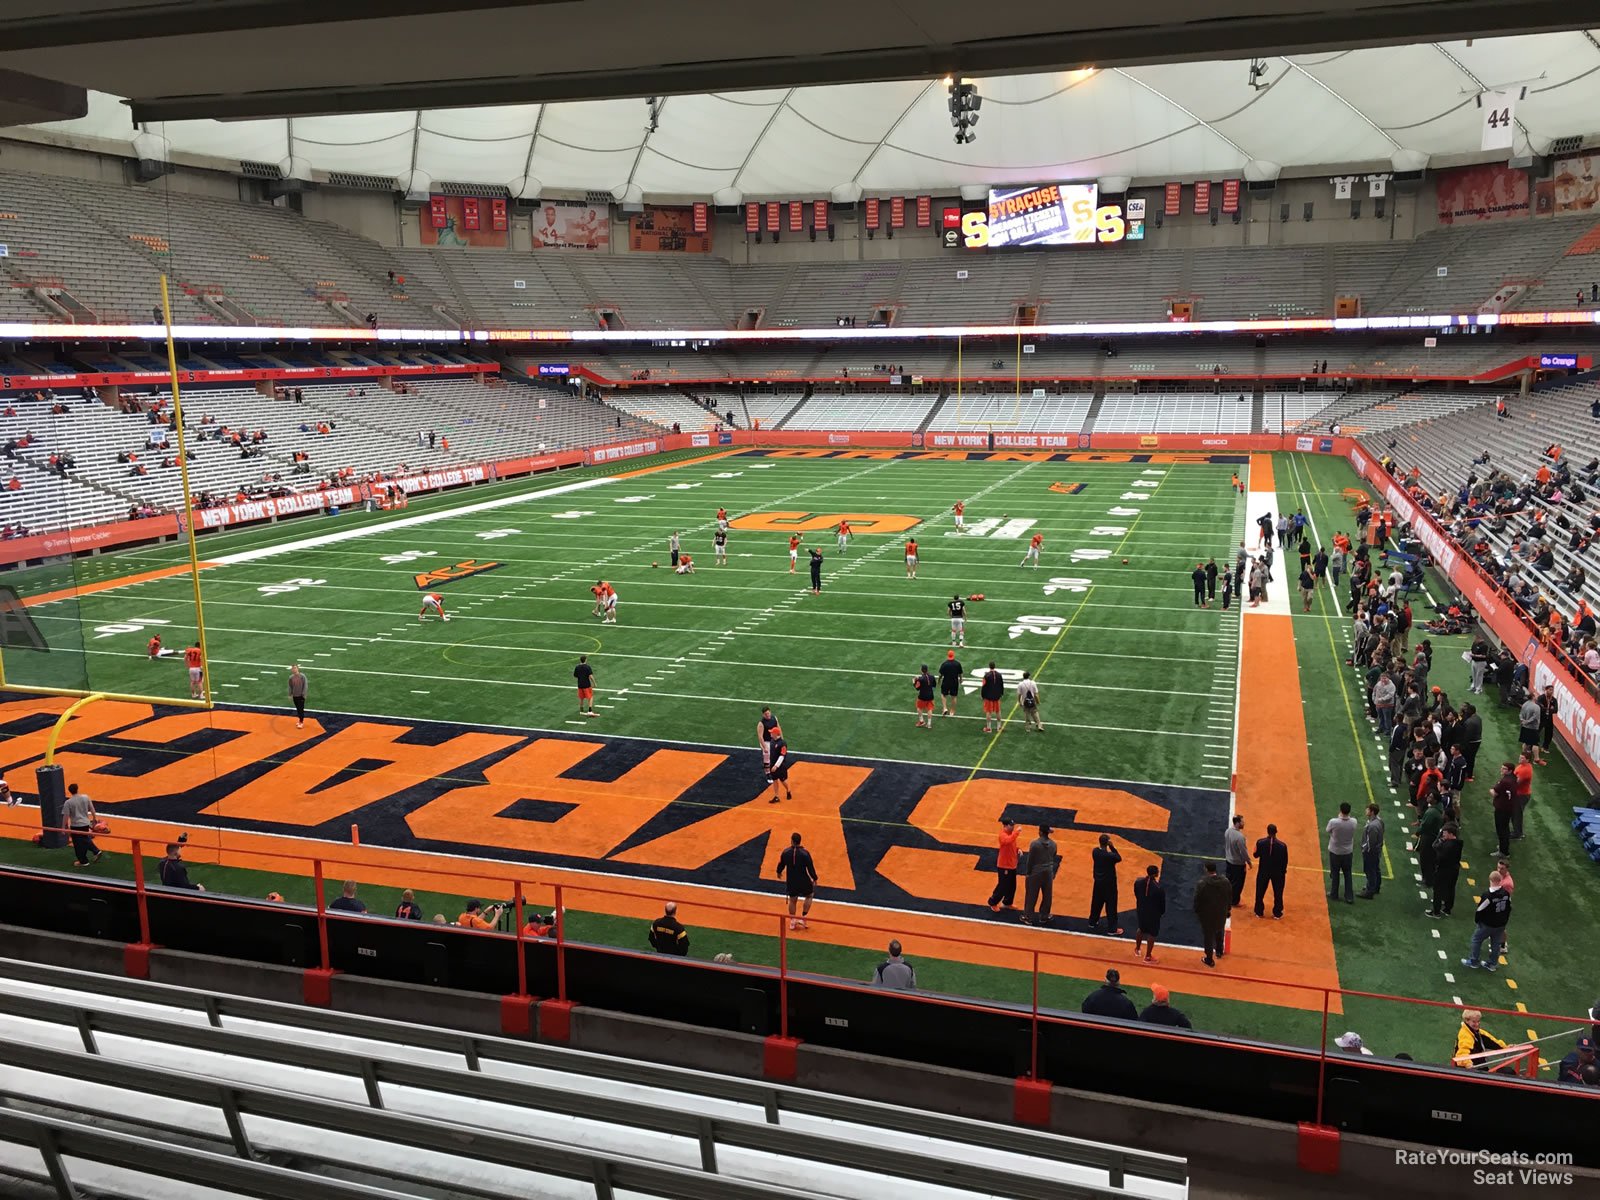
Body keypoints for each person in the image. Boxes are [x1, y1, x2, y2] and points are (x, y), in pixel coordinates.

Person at [1461, 870, 1511, 972]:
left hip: (1487, 924)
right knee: (1496, 944)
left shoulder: (1488, 895)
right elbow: (1509, 908)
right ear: (1500, 880)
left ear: (1490, 880)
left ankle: (1474, 961)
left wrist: (1477, 921)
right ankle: (1492, 964)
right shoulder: (1506, 893)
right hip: (1501, 925)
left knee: (1476, 940)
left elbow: (1480, 910)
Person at [776, 831, 817, 930]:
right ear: (799, 841)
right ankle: (803, 917)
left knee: (792, 900)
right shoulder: (805, 853)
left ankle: (792, 921)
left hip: (792, 880)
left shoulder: (786, 852)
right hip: (803, 879)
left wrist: (779, 872)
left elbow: (781, 864)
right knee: (809, 895)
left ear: (792, 841)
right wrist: (814, 878)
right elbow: (810, 867)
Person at [1193, 861, 1231, 966]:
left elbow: (1197, 899)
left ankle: (1209, 958)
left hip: (1207, 914)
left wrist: (1197, 910)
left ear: (1206, 869)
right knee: (1219, 930)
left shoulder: (1202, 883)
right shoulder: (1225, 881)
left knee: (1208, 936)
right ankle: (1219, 951)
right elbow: (1229, 896)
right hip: (1221, 912)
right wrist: (1228, 909)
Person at [1020, 824, 1059, 925]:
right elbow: (1053, 857)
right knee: (1047, 895)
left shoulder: (1035, 844)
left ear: (1041, 832)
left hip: (1036, 872)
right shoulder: (1054, 844)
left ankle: (1028, 916)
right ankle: (1044, 916)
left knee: (1031, 895)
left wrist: (1028, 873)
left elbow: (1030, 860)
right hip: (1048, 872)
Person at [1088, 833, 1123, 935]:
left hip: (1098, 883)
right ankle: (1112, 929)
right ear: (1107, 843)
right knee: (1111, 906)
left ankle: (1092, 922)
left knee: (1096, 903)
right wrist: (1112, 847)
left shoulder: (1095, 852)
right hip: (1109, 884)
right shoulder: (1109, 856)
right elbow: (1118, 858)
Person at [1252, 824, 1288, 918]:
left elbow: (1255, 855)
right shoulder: (1283, 846)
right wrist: (1283, 872)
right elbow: (1285, 861)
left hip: (1263, 871)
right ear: (1276, 832)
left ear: (1267, 831)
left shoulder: (1260, 842)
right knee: (1278, 893)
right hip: (1278, 873)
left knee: (1260, 891)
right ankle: (1277, 912)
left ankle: (1259, 911)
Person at [1427, 822, 1462, 918]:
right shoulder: (1458, 843)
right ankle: (1447, 908)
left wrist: (1441, 843)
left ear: (1451, 834)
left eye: (1445, 833)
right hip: (1454, 869)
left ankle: (1436, 911)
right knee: (1451, 889)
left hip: (1444, 870)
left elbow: (1439, 857)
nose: (1443, 834)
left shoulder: (1448, 846)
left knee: (1437, 890)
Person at [62, 783, 102, 866]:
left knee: (78, 843)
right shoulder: (85, 797)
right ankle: (93, 853)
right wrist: (94, 818)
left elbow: (66, 816)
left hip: (76, 825)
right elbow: (91, 808)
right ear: (77, 789)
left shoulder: (68, 802)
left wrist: (63, 827)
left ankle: (85, 860)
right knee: (84, 839)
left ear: (70, 791)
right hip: (85, 823)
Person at [1131, 864, 1164, 963]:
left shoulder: (1138, 882)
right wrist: (1160, 913)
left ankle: (1137, 949)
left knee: (1141, 928)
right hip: (1153, 913)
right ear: (1156, 874)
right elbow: (1162, 904)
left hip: (1141, 910)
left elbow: (1136, 893)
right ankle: (1148, 956)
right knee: (1152, 934)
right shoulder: (1159, 888)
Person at [1326, 801, 1357, 904]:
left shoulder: (1334, 822)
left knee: (1335, 873)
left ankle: (1334, 894)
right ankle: (1349, 896)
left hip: (1335, 851)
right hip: (1347, 852)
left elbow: (1328, 830)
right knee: (1348, 874)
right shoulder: (1353, 821)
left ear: (1340, 810)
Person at [988, 816, 1020, 912]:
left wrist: (1018, 850)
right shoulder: (1003, 835)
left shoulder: (1010, 834)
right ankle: (993, 902)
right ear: (1005, 826)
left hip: (1012, 865)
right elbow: (1007, 841)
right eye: (1011, 825)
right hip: (1004, 866)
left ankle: (1007, 902)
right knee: (1003, 885)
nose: (1013, 827)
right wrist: (1017, 832)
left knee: (1012, 885)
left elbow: (1012, 846)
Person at [1357, 804, 1384, 899]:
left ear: (1372, 812)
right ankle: (1376, 887)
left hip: (1371, 852)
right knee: (1376, 869)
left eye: (1368, 809)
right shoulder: (1379, 821)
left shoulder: (1372, 826)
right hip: (1377, 850)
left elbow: (1371, 842)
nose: (1366, 811)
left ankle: (1369, 891)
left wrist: (1365, 850)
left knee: (1370, 871)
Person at [1490, 762, 1516, 858]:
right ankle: (1503, 847)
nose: (1502, 770)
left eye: (1504, 768)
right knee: (1505, 828)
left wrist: (1492, 790)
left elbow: (1494, 793)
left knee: (1501, 829)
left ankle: (1503, 851)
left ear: (1510, 770)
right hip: (1508, 808)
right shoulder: (1513, 778)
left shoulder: (1505, 781)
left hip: (1502, 808)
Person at [1223, 814, 1250, 906]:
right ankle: (1234, 902)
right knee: (1237, 884)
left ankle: (1226, 898)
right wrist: (1249, 863)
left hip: (1229, 861)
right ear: (1238, 823)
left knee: (1229, 880)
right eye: (1242, 821)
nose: (1244, 823)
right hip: (1238, 864)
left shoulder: (1227, 831)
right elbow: (1243, 852)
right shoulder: (1240, 837)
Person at [1512, 751, 1533, 842]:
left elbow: (1516, 783)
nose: (1520, 759)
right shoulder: (1522, 766)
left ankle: (1518, 833)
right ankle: (1517, 832)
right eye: (1520, 757)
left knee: (1517, 814)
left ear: (1527, 760)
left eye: (1522, 758)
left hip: (1521, 795)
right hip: (1520, 794)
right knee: (1515, 813)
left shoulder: (1525, 770)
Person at [979, 661, 1005, 734]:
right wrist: (1001, 693)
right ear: (994, 666)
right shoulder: (999, 675)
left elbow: (983, 686)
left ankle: (989, 728)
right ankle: (999, 727)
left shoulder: (986, 675)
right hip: (997, 696)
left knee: (988, 712)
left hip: (988, 696)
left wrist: (982, 695)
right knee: (998, 711)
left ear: (989, 666)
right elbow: (1001, 685)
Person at [766, 734, 793, 802]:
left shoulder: (783, 743)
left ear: (776, 734)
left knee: (782, 780)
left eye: (772, 733)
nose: (771, 734)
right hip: (772, 764)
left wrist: (776, 766)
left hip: (780, 766)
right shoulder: (772, 741)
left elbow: (782, 755)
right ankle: (776, 796)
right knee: (775, 780)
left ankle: (788, 790)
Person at [938, 649, 962, 717]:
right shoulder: (957, 664)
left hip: (946, 681)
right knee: (954, 696)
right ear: (953, 655)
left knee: (943, 694)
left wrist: (939, 680)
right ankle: (952, 711)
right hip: (954, 682)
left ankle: (945, 708)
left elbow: (941, 674)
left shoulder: (944, 664)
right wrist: (960, 680)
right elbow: (960, 674)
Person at [912, 664, 937, 728]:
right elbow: (934, 685)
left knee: (919, 708)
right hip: (930, 696)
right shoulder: (932, 677)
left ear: (921, 670)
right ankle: (929, 724)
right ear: (927, 670)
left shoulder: (920, 679)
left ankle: (921, 721)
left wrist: (914, 681)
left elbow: (917, 688)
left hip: (922, 696)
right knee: (929, 709)